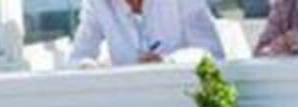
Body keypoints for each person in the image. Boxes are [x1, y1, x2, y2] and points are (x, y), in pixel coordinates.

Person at [69, 0, 226, 66]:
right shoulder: (96, 3)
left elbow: (211, 53)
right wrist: (90, 67)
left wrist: (168, 62)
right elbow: (78, 58)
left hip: (183, 99)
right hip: (128, 105)